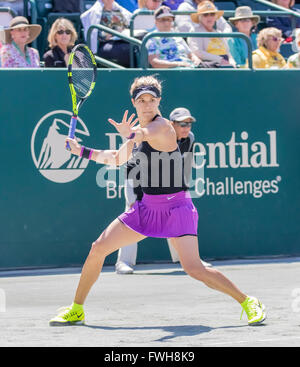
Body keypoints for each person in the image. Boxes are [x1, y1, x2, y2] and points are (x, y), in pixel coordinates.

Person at [49, 74, 266, 327]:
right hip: (146, 209)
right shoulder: (136, 136)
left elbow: (144, 132)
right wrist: (82, 151)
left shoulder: (163, 126)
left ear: (159, 100)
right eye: (142, 100)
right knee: (98, 249)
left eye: (152, 99)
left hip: (177, 208)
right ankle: (76, 309)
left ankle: (248, 301)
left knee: (194, 269)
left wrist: (132, 133)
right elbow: (117, 158)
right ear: (134, 102)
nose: (147, 104)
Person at [115, 106, 212, 274]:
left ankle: (187, 259)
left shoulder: (189, 138)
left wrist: (182, 192)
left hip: (166, 183)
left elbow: (185, 165)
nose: (186, 128)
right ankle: (123, 262)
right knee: (133, 215)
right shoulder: (155, 135)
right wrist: (137, 197)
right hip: (137, 178)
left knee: (176, 215)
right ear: (172, 124)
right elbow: (138, 165)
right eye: (182, 124)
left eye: (189, 124)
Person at [80, 0, 132, 67]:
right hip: (105, 45)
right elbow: (96, 35)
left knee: (136, 48)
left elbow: (127, 25)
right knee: (127, 50)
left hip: (124, 40)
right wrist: (113, 33)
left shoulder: (118, 10)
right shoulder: (95, 12)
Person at [187, 1, 236, 67]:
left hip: (224, 63)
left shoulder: (218, 32)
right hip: (210, 66)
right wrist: (220, 59)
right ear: (200, 17)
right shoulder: (195, 31)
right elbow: (198, 52)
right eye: (205, 15)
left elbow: (227, 52)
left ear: (216, 17)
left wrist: (231, 60)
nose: (209, 17)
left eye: (212, 14)